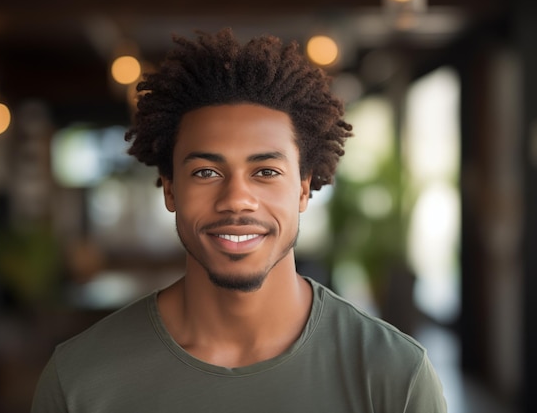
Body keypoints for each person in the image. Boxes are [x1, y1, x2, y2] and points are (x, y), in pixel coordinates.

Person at [31, 28, 447, 412]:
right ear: (171, 189)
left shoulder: (395, 376)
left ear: (303, 189)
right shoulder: (80, 379)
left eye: (265, 172)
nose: (236, 201)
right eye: (206, 173)